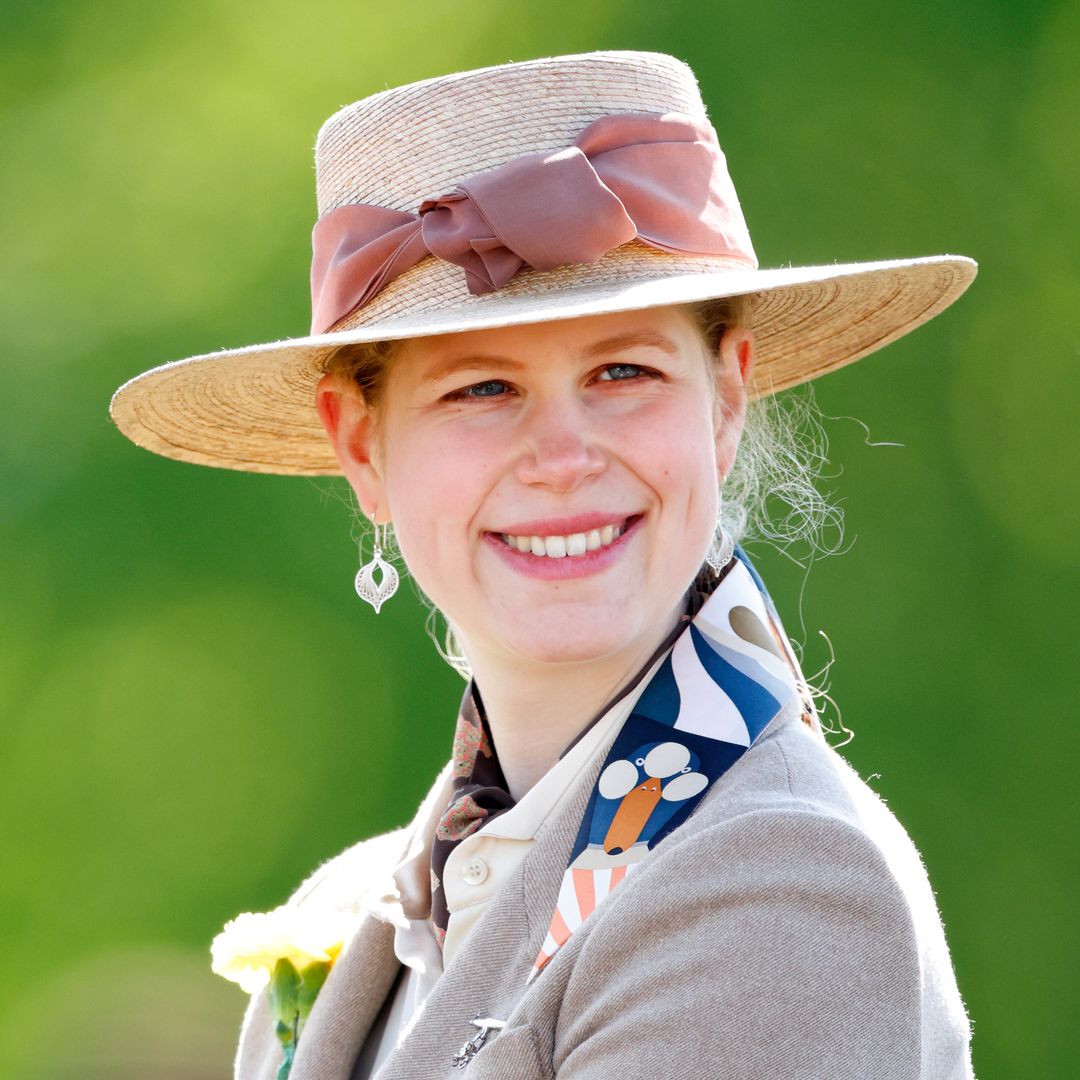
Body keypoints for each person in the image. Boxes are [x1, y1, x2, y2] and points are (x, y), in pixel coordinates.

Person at [110, 51, 977, 1080]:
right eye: (481, 389)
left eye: (624, 370)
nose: (563, 459)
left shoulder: (780, 884)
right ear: (360, 449)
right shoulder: (366, 919)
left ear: (726, 402)